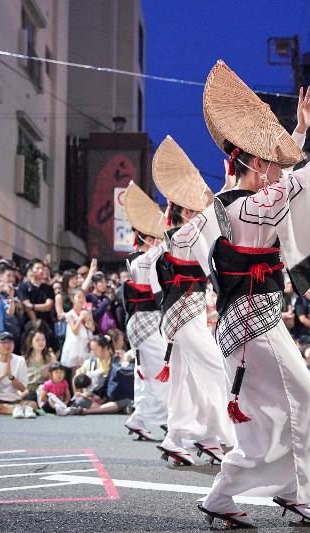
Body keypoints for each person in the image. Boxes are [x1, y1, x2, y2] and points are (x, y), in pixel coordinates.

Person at [189, 63, 310, 527]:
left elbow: (285, 184)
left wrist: (299, 129)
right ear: (256, 164)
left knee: (278, 412)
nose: (275, 170)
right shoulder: (249, 208)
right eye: (269, 161)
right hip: (252, 325)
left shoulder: (226, 203)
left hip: (248, 323)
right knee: (305, 401)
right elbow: (299, 183)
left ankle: (242, 495)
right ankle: (290, 493)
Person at [147, 134, 239, 466]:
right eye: (200, 194)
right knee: (215, 368)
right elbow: (215, 216)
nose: (205, 196)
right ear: (187, 208)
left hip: (187, 314)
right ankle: (219, 435)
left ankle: (179, 437)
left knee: (187, 378)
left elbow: (214, 217)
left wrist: (227, 185)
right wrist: (228, 184)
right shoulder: (187, 231)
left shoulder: (183, 232)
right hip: (184, 315)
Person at [118, 185, 171, 441]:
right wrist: (170, 218)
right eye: (155, 235)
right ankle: (159, 419)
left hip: (143, 321)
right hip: (146, 321)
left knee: (148, 373)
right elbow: (167, 245)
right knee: (159, 372)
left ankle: (143, 419)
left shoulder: (138, 257)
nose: (159, 238)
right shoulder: (143, 258)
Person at [18, 258, 55, 340]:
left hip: (46, 324)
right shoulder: (24, 286)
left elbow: (48, 306)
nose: (41, 271)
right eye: (37, 268)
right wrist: (35, 323)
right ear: (31, 270)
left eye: (42, 268)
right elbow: (27, 306)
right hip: (28, 325)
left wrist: (33, 306)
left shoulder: (48, 288)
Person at [60, 288, 93, 377]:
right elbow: (75, 331)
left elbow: (92, 328)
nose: (82, 299)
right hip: (75, 346)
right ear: (72, 299)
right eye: (79, 297)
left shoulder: (87, 312)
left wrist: (88, 318)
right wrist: (80, 318)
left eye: (83, 297)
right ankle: (76, 391)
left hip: (86, 343)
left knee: (86, 371)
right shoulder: (70, 314)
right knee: (76, 372)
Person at [23, 328, 56, 398]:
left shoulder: (51, 358)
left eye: (43, 339)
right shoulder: (24, 359)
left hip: (45, 390)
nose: (41, 342)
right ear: (30, 343)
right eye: (37, 340)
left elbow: (55, 378)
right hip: (28, 390)